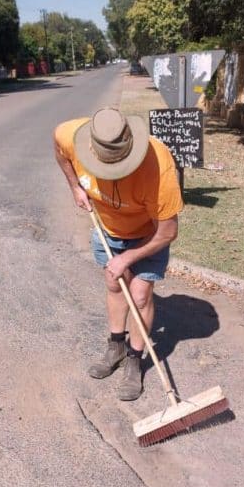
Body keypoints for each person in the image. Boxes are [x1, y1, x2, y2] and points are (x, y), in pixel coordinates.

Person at [54, 107, 183, 400]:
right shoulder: (69, 135)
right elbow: (59, 149)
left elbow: (167, 232)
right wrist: (75, 186)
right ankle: (116, 346)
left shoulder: (158, 167)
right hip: (109, 230)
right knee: (114, 284)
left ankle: (135, 360)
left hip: (148, 235)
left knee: (139, 295)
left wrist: (127, 257)